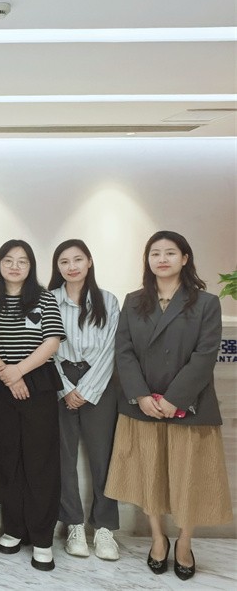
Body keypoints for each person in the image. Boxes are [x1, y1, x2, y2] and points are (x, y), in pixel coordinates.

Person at [105, 231, 230, 581]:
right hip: (142, 407)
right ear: (147, 260)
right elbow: (123, 352)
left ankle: (185, 543)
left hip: (190, 407)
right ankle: (158, 539)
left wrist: (175, 399)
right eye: (155, 253)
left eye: (170, 252)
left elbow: (205, 356)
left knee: (189, 478)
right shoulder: (133, 301)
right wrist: (142, 396)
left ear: (185, 258)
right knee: (151, 474)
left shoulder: (206, 303)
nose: (162, 259)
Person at [0, 239, 65, 572]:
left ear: (31, 267)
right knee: (8, 459)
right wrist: (6, 372)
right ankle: (14, 528)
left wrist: (18, 371)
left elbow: (52, 341)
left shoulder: (44, 297)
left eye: (23, 261)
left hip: (38, 382)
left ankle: (42, 538)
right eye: (8, 260)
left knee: (40, 461)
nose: (15, 266)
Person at [47, 239, 120, 562]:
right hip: (60, 381)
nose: (72, 266)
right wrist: (65, 389)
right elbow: (44, 348)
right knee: (63, 458)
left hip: (99, 383)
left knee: (103, 458)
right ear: (57, 267)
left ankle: (104, 529)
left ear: (89, 262)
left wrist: (86, 390)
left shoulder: (107, 300)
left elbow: (111, 349)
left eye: (78, 259)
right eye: (64, 261)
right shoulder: (49, 299)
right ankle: (73, 525)